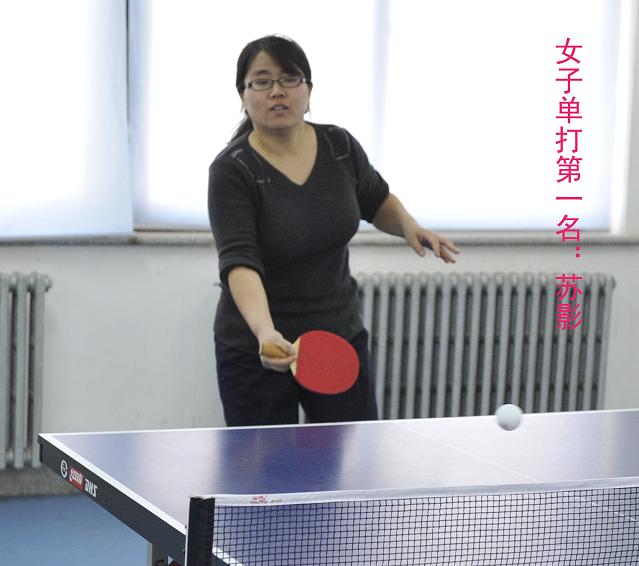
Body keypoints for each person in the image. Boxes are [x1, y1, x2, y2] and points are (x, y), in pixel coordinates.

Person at [208, 35, 459, 427]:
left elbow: (375, 199)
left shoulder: (339, 145)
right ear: (243, 94)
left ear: (308, 89)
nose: (277, 91)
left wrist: (409, 226)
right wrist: (265, 332)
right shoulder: (232, 170)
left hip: (337, 336)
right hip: (259, 347)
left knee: (351, 458)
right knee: (267, 467)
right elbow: (239, 261)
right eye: (262, 81)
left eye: (290, 79)